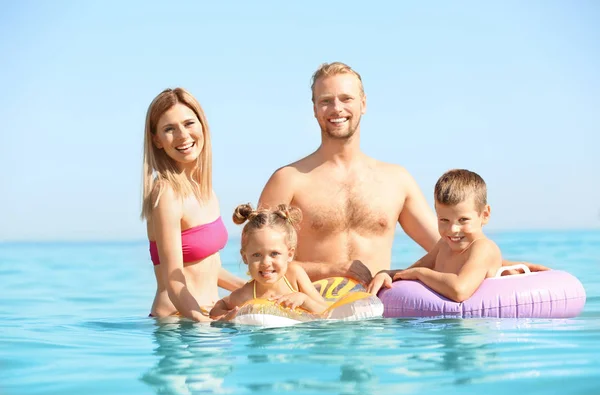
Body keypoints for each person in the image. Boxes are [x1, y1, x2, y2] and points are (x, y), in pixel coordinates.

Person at [258, 62, 547, 285]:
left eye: (346, 98)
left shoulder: (396, 181)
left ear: (363, 103)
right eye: (326, 100)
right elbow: (258, 264)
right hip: (312, 321)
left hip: (377, 320)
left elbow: (449, 245)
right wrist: (330, 270)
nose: (337, 108)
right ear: (314, 109)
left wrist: (504, 265)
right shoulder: (288, 180)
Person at [141, 88, 245, 321]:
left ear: (202, 126)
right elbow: (173, 279)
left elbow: (208, 269)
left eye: (189, 123)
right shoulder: (166, 193)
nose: (182, 135)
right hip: (179, 323)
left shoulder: (204, 190)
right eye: (169, 129)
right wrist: (204, 324)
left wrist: (256, 290)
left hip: (206, 315)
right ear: (157, 140)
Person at [367, 169, 504, 301]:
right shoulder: (444, 245)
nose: (453, 229)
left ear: (485, 215)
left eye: (463, 220)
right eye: (444, 220)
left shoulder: (483, 248)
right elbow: (408, 273)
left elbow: (460, 291)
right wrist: (386, 274)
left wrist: (420, 274)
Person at [209, 204, 329, 320]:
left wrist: (304, 300)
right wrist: (227, 316)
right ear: (245, 257)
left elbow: (326, 311)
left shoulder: (294, 275)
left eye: (274, 254)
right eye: (257, 255)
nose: (266, 262)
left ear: (290, 254)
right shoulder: (246, 295)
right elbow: (218, 307)